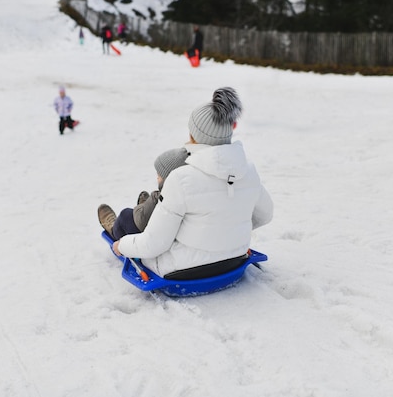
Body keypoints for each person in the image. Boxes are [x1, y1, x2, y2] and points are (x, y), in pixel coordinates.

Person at [111, 87, 273, 278]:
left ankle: (121, 223)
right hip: (234, 260)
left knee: (129, 220)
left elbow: (154, 243)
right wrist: (229, 229)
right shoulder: (248, 171)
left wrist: (121, 245)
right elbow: (266, 215)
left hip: (183, 271)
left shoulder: (181, 178)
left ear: (193, 137)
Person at [98, 147, 189, 241]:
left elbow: (146, 224)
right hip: (161, 228)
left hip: (144, 234)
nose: (157, 178)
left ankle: (113, 229)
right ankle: (145, 207)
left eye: (159, 175)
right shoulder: (186, 194)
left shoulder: (165, 198)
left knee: (125, 215)